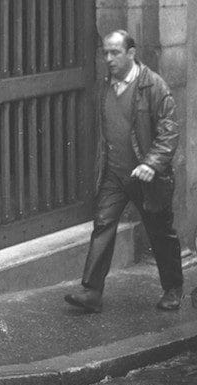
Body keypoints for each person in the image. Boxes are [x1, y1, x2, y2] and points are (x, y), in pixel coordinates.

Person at [65, 30, 183, 313]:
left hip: (147, 177)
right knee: (103, 225)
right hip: (115, 174)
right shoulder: (106, 84)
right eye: (105, 53)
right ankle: (91, 291)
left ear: (131, 53)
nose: (109, 59)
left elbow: (169, 132)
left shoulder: (154, 87)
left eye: (115, 53)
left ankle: (173, 288)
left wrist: (151, 163)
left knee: (160, 233)